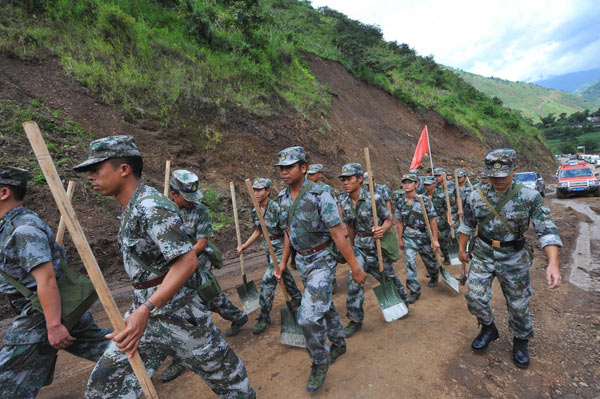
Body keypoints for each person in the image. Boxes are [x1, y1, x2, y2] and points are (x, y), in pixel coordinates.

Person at [75, 136, 255, 398]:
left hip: (178, 313)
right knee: (104, 387)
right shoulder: (132, 208)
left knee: (231, 384)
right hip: (143, 315)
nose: (91, 177)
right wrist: (141, 310)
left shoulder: (152, 207)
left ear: (123, 169)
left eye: (96, 169)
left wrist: (146, 308)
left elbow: (187, 260)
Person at [0, 166, 110, 399]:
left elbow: (46, 279)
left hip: (41, 310)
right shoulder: (10, 226)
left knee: (7, 378)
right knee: (95, 344)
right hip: (54, 304)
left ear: (3, 193)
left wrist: (53, 325)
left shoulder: (23, 230)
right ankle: (145, 349)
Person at [273, 146, 367, 393]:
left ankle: (320, 360)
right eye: (281, 168)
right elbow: (288, 233)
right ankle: (338, 342)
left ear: (303, 168)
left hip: (323, 260)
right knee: (323, 305)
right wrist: (283, 262)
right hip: (302, 263)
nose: (284, 172)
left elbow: (338, 233)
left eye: (290, 167)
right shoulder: (281, 200)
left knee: (308, 316)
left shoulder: (320, 194)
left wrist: (355, 268)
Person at [458, 148, 562, 369]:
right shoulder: (476, 196)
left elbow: (548, 231)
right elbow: (467, 224)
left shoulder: (529, 197)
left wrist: (553, 264)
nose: (497, 180)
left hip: (514, 257)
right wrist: (462, 248)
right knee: (475, 297)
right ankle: (488, 327)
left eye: (502, 175)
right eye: (492, 176)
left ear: (515, 170)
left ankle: (521, 340)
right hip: (483, 253)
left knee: (518, 304)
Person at [161, 169, 249, 382]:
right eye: (186, 197)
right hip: (171, 270)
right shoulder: (163, 211)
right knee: (181, 311)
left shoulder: (200, 212)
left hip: (197, 265)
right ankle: (180, 358)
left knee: (209, 298)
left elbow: (202, 243)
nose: (191, 201)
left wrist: (183, 258)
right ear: (174, 193)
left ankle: (236, 316)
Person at [338, 163, 409, 337]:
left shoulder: (373, 198)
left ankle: (403, 300)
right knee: (354, 281)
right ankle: (355, 320)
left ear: (360, 179)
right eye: (343, 180)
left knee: (388, 277)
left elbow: (388, 219)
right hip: (361, 247)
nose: (345, 183)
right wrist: (353, 247)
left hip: (377, 246)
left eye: (349, 179)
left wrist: (382, 230)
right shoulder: (344, 202)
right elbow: (351, 227)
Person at [237, 177, 302, 335]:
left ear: (268, 191)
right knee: (282, 273)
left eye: (260, 190)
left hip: (280, 248)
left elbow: (287, 234)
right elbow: (259, 230)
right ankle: (297, 297)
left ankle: (264, 316)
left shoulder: (277, 209)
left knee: (268, 280)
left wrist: (285, 258)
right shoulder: (255, 210)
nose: (256, 193)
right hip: (268, 247)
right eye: (254, 190)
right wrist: (245, 245)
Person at [395, 174, 440, 304]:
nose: (407, 185)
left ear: (416, 184)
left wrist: (435, 239)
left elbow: (432, 219)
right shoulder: (400, 202)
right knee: (409, 262)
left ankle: (434, 274)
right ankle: (414, 290)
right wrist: (400, 239)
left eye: (410, 182)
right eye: (405, 183)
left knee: (429, 260)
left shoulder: (424, 200)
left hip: (424, 235)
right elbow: (399, 222)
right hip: (409, 235)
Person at [433, 168, 456, 265]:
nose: (438, 178)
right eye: (436, 176)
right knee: (444, 237)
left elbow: (458, 197)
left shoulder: (452, 185)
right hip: (441, 214)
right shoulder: (435, 187)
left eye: (439, 175)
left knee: (454, 234)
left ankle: (456, 253)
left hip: (453, 212)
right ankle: (447, 255)